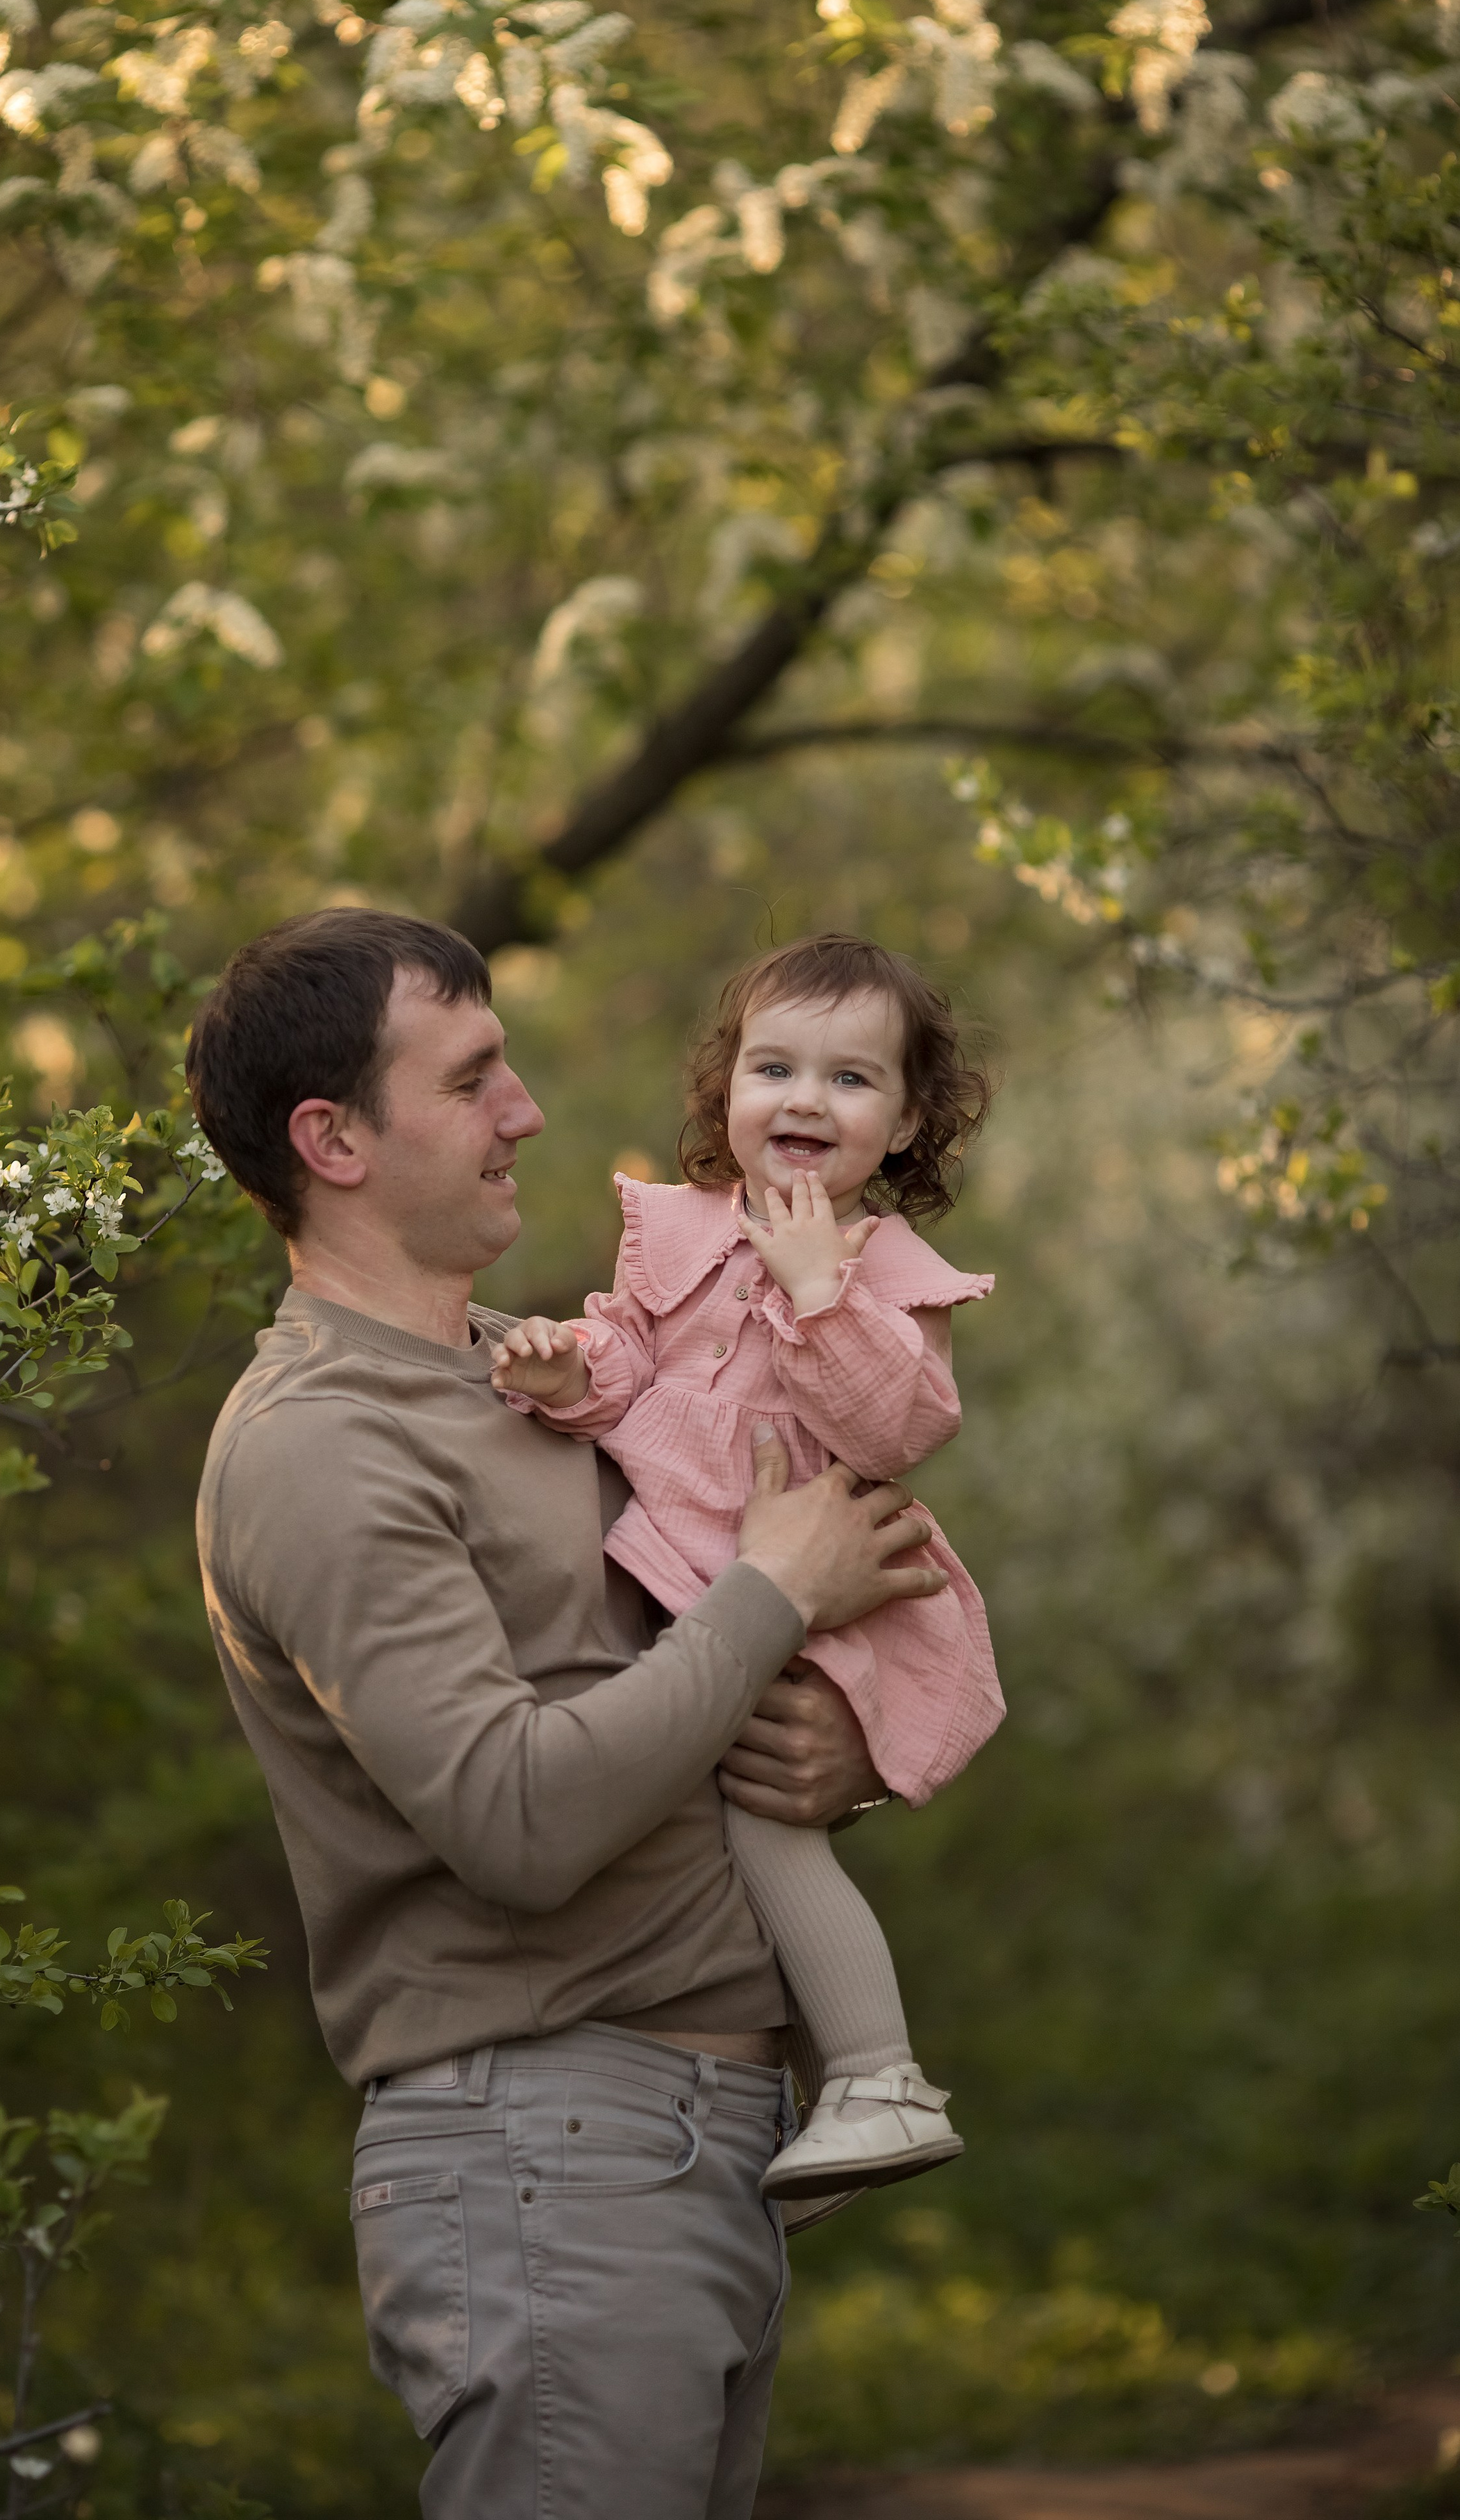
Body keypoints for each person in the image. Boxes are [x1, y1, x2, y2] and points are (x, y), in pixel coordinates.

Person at [186, 907, 953, 2520]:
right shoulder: (317, 1447)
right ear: (331, 1138)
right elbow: (519, 1822)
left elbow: (687, 1671)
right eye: (471, 1082)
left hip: (696, 2146)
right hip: (548, 2147)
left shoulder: (540, 1370)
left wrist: (830, 1765)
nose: (525, 1110)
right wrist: (773, 1599)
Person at [487, 933, 1002, 2204]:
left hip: (806, 1572)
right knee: (701, 1829)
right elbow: (625, 1367)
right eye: (774, 1068)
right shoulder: (673, 1231)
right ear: (727, 1094)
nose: (805, 1100)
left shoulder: (887, 1273)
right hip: (696, 1568)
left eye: (849, 1079)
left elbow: (899, 1430)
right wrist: (567, 1373)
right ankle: (824, 2114)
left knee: (764, 1830)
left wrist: (823, 1293)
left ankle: (880, 2079)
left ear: (908, 1119)